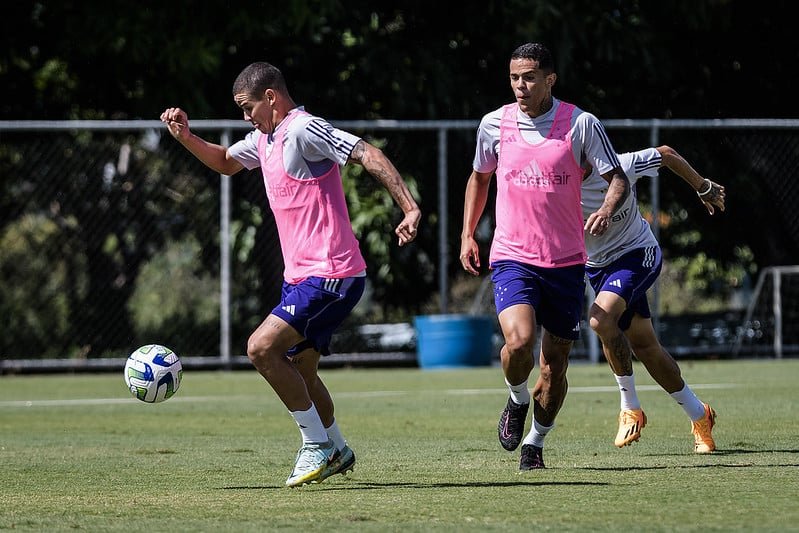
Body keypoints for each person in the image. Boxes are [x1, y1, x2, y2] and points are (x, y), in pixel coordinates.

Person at [160, 62, 421, 487]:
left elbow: (368, 153)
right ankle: (337, 447)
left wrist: (408, 207)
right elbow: (225, 161)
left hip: (332, 273)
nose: (246, 117)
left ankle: (315, 445)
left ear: (270, 97)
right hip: (301, 278)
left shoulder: (303, 129)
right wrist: (186, 137)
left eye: (248, 107)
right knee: (301, 369)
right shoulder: (264, 139)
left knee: (261, 348)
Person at [460, 42, 631, 471]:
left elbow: (617, 178)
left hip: (566, 262)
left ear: (550, 79)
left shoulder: (581, 124)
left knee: (554, 367)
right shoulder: (494, 124)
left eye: (530, 77)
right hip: (512, 256)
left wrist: (605, 210)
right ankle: (517, 399)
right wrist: (467, 234)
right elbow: (479, 179)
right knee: (518, 343)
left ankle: (535, 443)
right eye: (514, 77)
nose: (520, 85)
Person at [583, 145, 725, 453]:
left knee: (601, 318)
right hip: (598, 268)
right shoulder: (556, 186)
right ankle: (700, 415)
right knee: (646, 347)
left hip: (638, 254)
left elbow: (667, 154)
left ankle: (630, 407)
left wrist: (702, 186)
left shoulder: (621, 166)